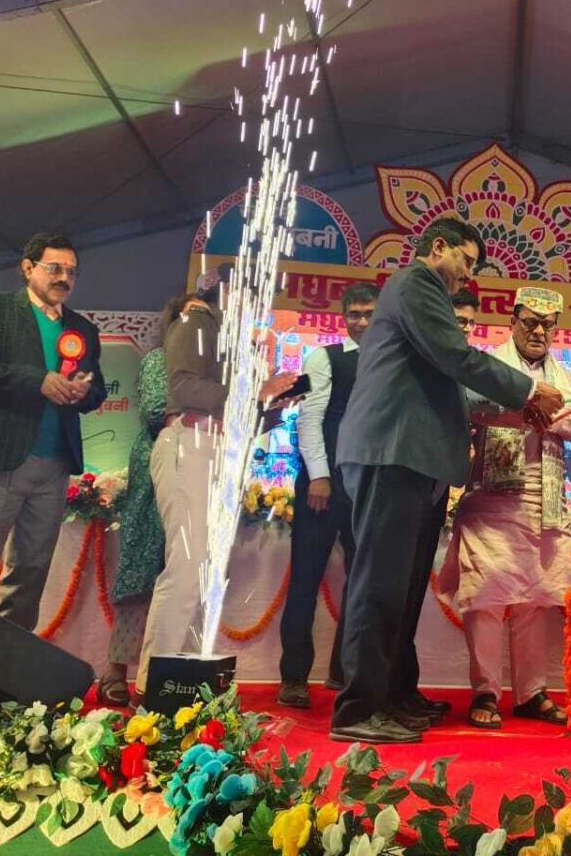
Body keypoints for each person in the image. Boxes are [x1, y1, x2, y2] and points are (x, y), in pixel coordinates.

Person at [329, 216, 564, 744]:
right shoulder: (416, 282)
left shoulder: (420, 293)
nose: (468, 275)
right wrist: (528, 391)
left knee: (405, 586)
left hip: (417, 458)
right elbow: (455, 356)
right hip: (391, 451)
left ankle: (393, 694)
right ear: (439, 247)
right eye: (467, 261)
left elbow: (448, 376)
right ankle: (357, 707)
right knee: (379, 583)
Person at [134, 267, 297, 699]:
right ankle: (155, 684)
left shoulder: (233, 339)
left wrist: (275, 407)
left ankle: (185, 684)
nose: (258, 307)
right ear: (228, 291)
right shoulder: (197, 319)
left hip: (218, 451)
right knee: (188, 570)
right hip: (189, 445)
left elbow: (238, 415)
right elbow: (185, 389)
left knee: (205, 575)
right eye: (252, 294)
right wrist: (255, 391)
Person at [439, 287, 571, 729]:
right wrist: (522, 406)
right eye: (530, 323)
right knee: (485, 598)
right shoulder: (489, 365)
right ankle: (485, 691)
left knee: (535, 600)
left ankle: (531, 693)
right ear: (512, 322)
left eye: (547, 325)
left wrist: (552, 416)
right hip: (492, 499)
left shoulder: (562, 373)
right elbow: (467, 406)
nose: (539, 332)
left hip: (545, 500)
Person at [0, 232, 106, 629]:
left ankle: (8, 663)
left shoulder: (83, 329)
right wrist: (38, 380)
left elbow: (98, 390)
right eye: (54, 268)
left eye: (72, 271)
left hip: (54, 465)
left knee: (30, 574)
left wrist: (83, 392)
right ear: (27, 268)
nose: (64, 277)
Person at [276, 283, 378, 709]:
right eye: (354, 314)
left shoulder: (390, 360)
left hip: (367, 488)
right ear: (343, 317)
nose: (361, 321)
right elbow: (310, 419)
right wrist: (319, 475)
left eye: (369, 313)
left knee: (363, 584)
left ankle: (344, 672)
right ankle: (293, 677)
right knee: (305, 579)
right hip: (323, 484)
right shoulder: (325, 357)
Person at [97, 294, 188, 705]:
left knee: (180, 577)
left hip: (196, 468)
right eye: (188, 316)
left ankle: (169, 678)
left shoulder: (210, 368)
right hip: (158, 465)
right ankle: (115, 671)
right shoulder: (159, 359)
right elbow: (155, 411)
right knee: (142, 570)